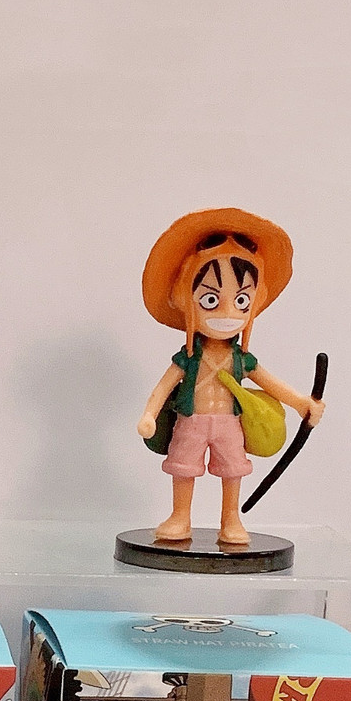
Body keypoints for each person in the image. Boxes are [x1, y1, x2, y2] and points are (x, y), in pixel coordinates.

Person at [134, 211, 324, 549]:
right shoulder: (188, 357)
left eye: (240, 300)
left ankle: (231, 519)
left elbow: (269, 382)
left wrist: (300, 403)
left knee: (233, 470)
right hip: (190, 421)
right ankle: (180, 516)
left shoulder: (241, 359)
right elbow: (164, 387)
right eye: (211, 299)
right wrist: (149, 415)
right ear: (184, 298)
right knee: (183, 468)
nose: (227, 313)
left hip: (228, 423)